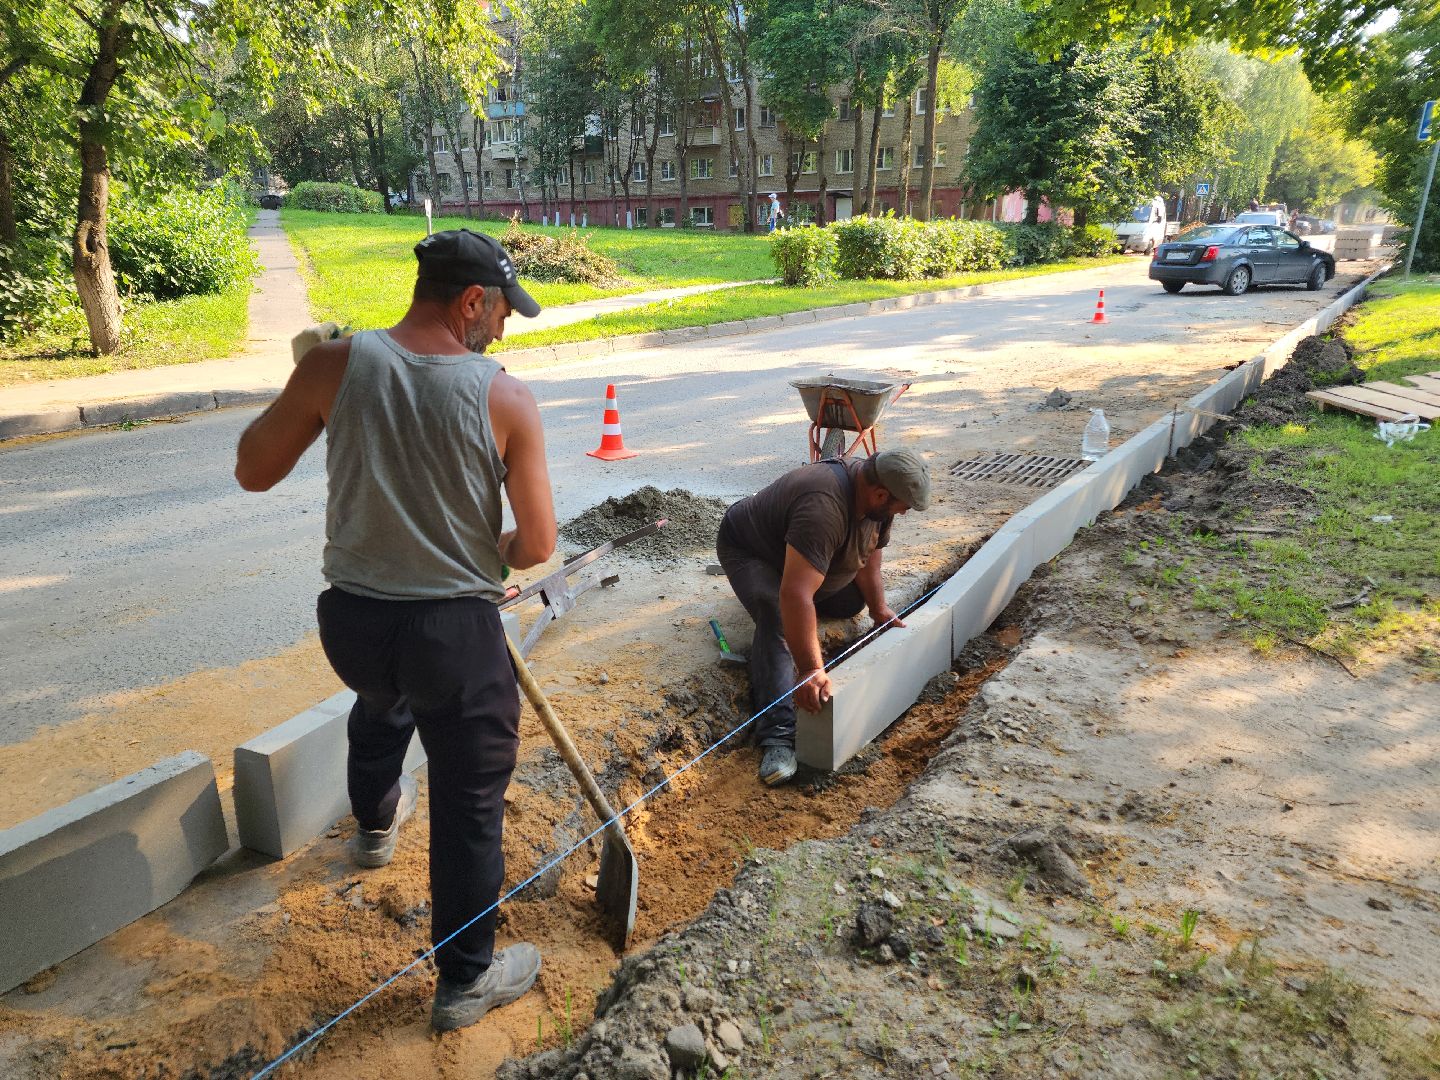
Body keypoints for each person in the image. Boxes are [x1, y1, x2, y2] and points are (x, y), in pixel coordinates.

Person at [234, 228, 557, 1033]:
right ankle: (466, 981)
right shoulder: (505, 396)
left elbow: (252, 468)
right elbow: (539, 545)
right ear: (470, 301)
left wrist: (309, 383)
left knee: (385, 700)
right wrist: (500, 552)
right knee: (468, 798)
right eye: (501, 313)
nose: (503, 331)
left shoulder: (335, 365)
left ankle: (375, 822)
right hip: (453, 634)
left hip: (353, 625)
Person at [716, 450, 931, 786]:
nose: (903, 513)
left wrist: (878, 608)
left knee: (849, 603)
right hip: (753, 551)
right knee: (776, 614)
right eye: (902, 506)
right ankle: (778, 736)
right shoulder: (822, 507)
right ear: (880, 495)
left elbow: (871, 550)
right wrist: (810, 670)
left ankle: (807, 597)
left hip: (800, 554)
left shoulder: (877, 496)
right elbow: (795, 595)